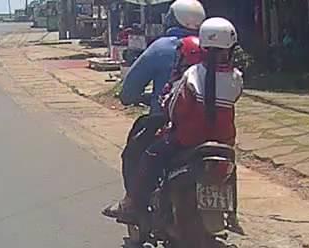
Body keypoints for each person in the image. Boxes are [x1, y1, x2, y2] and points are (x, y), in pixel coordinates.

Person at [119, 18, 242, 223]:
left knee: (151, 156)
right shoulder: (236, 77)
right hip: (224, 140)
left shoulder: (191, 73)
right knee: (229, 168)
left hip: (187, 139)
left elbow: (175, 109)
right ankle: (233, 215)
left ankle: (135, 204)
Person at [102, 0, 204, 220]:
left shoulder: (162, 47)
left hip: (167, 122)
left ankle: (132, 203)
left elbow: (129, 89)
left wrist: (129, 97)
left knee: (133, 153)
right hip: (209, 124)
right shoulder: (212, 48)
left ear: (171, 19)